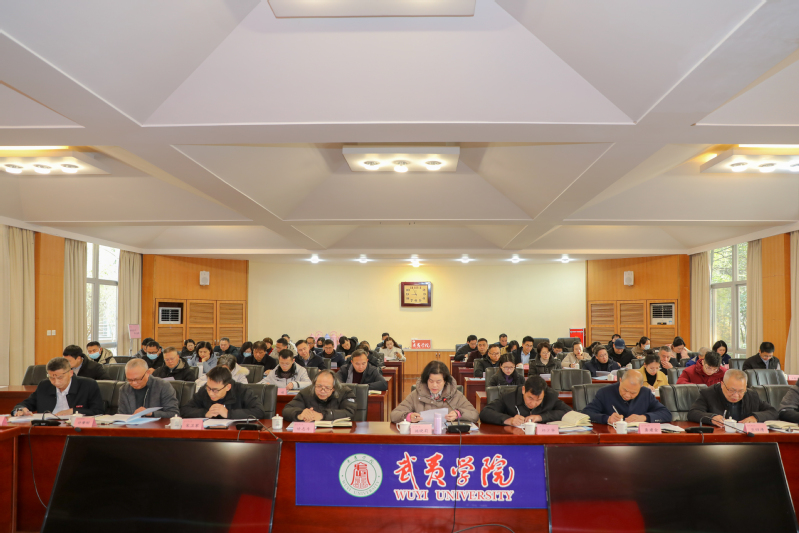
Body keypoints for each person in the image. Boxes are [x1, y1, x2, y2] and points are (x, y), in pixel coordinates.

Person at [12, 356, 104, 417]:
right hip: (49, 428)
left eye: (60, 377)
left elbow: (98, 411)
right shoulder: (44, 385)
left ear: (70, 373)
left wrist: (72, 411)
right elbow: (25, 404)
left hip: (77, 428)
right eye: (51, 377)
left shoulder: (88, 385)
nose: (56, 382)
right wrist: (20, 410)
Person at [390, 361, 478, 424]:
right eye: (431, 381)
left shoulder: (456, 395)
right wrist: (408, 416)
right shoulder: (416, 394)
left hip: (447, 438)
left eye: (438, 382)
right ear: (426, 380)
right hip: (423, 437)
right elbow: (394, 415)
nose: (434, 385)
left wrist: (458, 414)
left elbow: (474, 415)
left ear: (445, 381)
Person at [688, 369, 778, 425]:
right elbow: (693, 413)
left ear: (746, 387)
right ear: (722, 384)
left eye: (741, 391)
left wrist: (755, 417)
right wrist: (712, 417)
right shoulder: (708, 393)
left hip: (745, 439)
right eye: (731, 390)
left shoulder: (752, 395)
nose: (736, 395)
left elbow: (773, 412)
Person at [582, 370, 672, 425]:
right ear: (620, 380)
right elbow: (586, 413)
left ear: (641, 387)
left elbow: (666, 414)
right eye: (625, 390)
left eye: (633, 393)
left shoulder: (646, 393)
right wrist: (607, 419)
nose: (627, 395)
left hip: (639, 439)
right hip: (611, 438)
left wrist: (645, 417)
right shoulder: (605, 392)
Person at [480, 375, 571, 426]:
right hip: (514, 439)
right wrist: (509, 420)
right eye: (530, 398)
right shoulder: (509, 396)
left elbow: (569, 412)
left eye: (539, 400)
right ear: (523, 390)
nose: (534, 404)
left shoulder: (550, 396)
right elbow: (485, 412)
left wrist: (541, 417)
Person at [181, 366, 265, 420]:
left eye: (215, 390)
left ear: (228, 387)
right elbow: (184, 410)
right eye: (208, 388)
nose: (210, 393)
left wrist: (228, 413)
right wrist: (205, 413)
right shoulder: (204, 390)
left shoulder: (243, 391)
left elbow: (259, 411)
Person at [283, 370, 357, 422]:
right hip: (312, 434)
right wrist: (300, 414)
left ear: (334, 388)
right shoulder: (306, 392)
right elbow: (286, 410)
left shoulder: (345, 392)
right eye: (319, 386)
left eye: (327, 388)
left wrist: (322, 415)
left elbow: (350, 412)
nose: (322, 391)